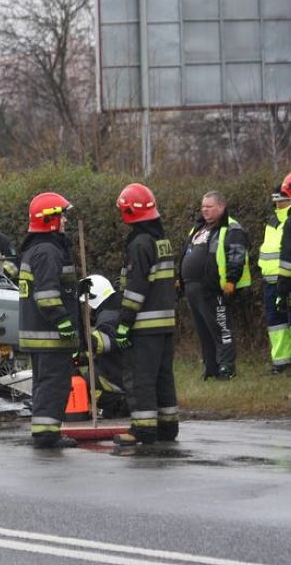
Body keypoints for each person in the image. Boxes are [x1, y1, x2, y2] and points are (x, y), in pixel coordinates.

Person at [112, 183, 178, 446]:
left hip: (144, 325)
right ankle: (167, 427)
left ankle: (143, 429)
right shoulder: (161, 241)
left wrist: (124, 322)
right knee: (163, 377)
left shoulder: (140, 244)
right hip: (165, 324)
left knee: (141, 378)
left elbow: (136, 289)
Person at [17, 192, 79, 449]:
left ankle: (44, 431)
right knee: (54, 384)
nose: (65, 220)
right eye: (61, 215)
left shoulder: (38, 249)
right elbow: (46, 295)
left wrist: (76, 289)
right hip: (50, 333)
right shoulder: (48, 251)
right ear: (49, 220)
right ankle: (47, 434)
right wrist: (64, 321)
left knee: (45, 384)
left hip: (39, 333)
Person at [179, 191, 251, 381]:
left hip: (215, 288)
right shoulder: (198, 228)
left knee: (221, 328)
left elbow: (236, 255)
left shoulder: (231, 228)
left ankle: (227, 368)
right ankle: (211, 368)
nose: (205, 210)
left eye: (209, 207)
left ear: (221, 207)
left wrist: (231, 281)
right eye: (203, 207)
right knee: (204, 331)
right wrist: (180, 277)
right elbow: (186, 253)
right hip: (193, 288)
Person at [77, 274, 129, 419]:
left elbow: (103, 343)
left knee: (80, 381)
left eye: (84, 304)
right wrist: (82, 356)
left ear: (93, 300)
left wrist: (81, 343)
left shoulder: (108, 316)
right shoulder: (115, 309)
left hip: (117, 380)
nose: (83, 308)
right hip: (120, 371)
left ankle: (116, 403)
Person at [258, 175, 291, 375]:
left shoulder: (288, 220)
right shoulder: (272, 220)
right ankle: (280, 362)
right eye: (276, 199)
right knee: (275, 325)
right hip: (270, 280)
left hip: (286, 279)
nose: (277, 202)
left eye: (281, 199)